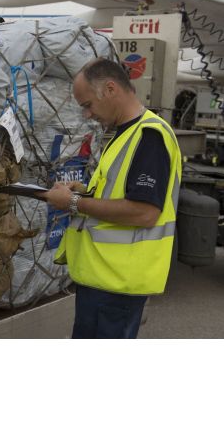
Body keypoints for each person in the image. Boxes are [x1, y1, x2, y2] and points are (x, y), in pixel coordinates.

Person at [44, 57, 182, 339]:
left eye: (87, 105)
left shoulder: (149, 136)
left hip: (116, 284)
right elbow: (120, 193)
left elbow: (144, 212)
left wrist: (72, 203)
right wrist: (80, 192)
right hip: (104, 279)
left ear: (110, 89)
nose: (87, 115)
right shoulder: (124, 134)